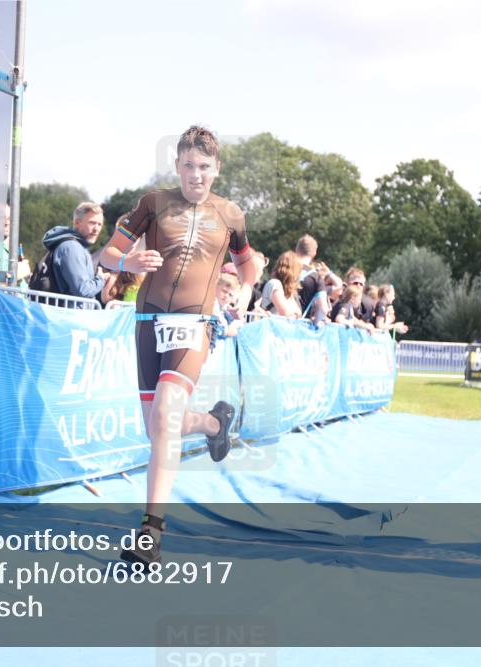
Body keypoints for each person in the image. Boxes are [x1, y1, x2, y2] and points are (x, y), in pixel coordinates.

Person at [98, 125, 256, 567]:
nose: (196, 174)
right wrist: (127, 260)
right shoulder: (153, 203)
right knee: (158, 427)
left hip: (194, 323)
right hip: (147, 324)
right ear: (177, 165)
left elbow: (248, 265)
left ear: (216, 168)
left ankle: (150, 534)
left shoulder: (231, 214)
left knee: (166, 416)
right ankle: (212, 422)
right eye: (188, 165)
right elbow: (107, 254)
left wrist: (245, 292)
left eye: (204, 166)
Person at [42, 202, 107, 300]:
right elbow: (83, 290)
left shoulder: (76, 247)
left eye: (99, 224)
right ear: (77, 223)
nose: (96, 229)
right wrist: (101, 279)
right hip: (69, 309)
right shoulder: (72, 248)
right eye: (92, 223)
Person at [259, 250, 301, 317]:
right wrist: (294, 314)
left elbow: (299, 313)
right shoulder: (275, 284)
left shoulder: (289, 291)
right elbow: (285, 312)